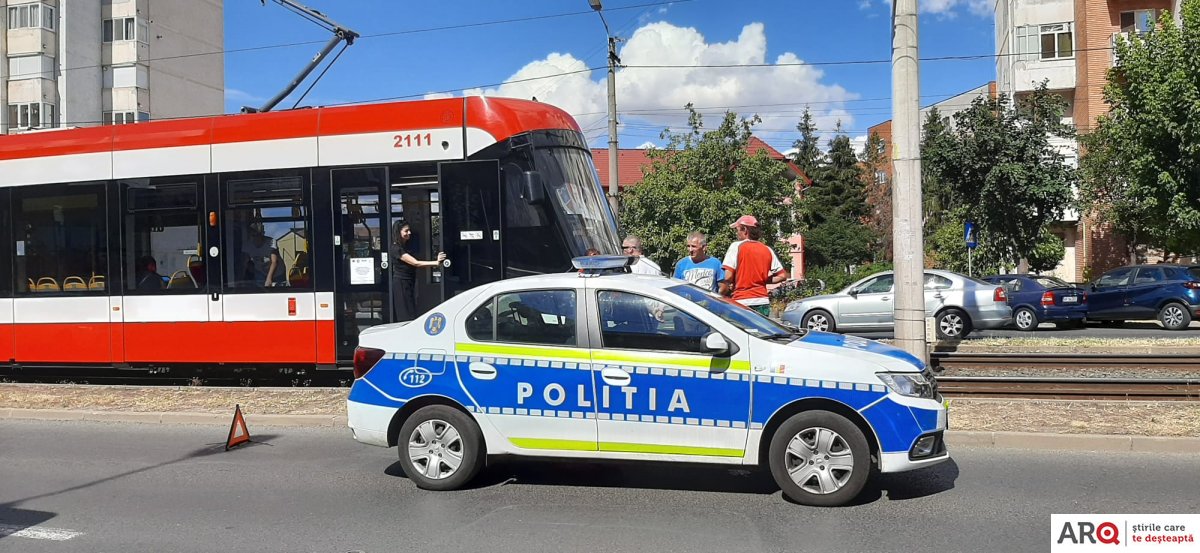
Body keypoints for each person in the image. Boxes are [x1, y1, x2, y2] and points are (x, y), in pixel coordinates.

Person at [721, 215, 787, 316]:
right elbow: (782, 276)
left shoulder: (736, 246)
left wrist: (723, 290)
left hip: (742, 301)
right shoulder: (767, 249)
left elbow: (728, 276)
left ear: (745, 230)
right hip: (762, 301)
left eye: (737, 230)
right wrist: (763, 279)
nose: (736, 233)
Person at [392, 222, 447, 322]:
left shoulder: (405, 247)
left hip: (409, 282)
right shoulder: (396, 248)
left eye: (409, 230)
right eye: (406, 231)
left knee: (411, 310)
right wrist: (436, 262)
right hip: (401, 283)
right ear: (398, 232)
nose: (409, 233)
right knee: (406, 314)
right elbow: (415, 263)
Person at [241, 221, 280, 287]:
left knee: (279, 290)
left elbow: (274, 262)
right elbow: (244, 262)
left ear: (261, 234)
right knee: (260, 289)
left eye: (256, 235)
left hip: (277, 272)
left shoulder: (271, 242)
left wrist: (269, 278)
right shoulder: (247, 245)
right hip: (260, 272)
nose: (254, 238)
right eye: (252, 235)